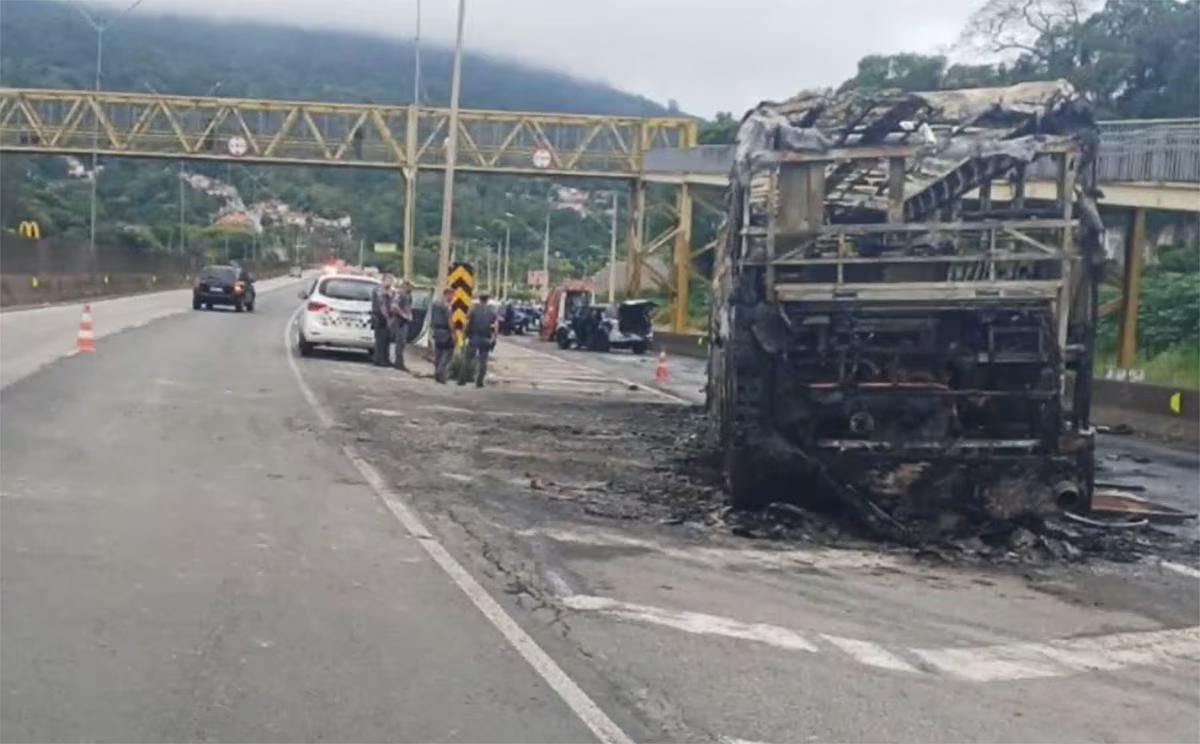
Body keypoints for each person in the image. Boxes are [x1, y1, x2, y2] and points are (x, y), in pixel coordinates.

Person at [459, 292, 498, 388]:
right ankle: (479, 382)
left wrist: (463, 335)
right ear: (487, 300)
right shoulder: (492, 312)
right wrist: (494, 339)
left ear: (479, 299)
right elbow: (496, 327)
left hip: (474, 338)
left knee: (467, 359)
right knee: (483, 361)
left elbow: (466, 323)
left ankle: (462, 380)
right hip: (486, 339)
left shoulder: (473, 310)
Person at [430, 286, 456, 383]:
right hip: (446, 332)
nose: (453, 297)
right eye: (452, 295)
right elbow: (450, 320)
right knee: (448, 353)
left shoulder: (435, 304)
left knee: (438, 353)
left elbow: (431, 317)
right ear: (448, 294)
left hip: (437, 331)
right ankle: (440, 373)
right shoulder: (447, 306)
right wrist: (453, 334)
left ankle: (437, 373)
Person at [389, 279, 414, 372]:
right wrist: (403, 315)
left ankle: (399, 362)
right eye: (410, 286)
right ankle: (398, 363)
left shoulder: (408, 295)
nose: (411, 288)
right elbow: (394, 306)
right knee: (400, 342)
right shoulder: (400, 294)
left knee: (402, 343)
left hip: (404, 321)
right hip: (400, 321)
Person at [370, 273, 394, 367]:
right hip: (380, 317)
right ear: (384, 280)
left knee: (386, 339)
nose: (391, 282)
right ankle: (378, 359)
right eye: (390, 280)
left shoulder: (386, 290)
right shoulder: (379, 290)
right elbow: (382, 305)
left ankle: (385, 359)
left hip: (384, 316)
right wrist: (388, 318)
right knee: (380, 339)